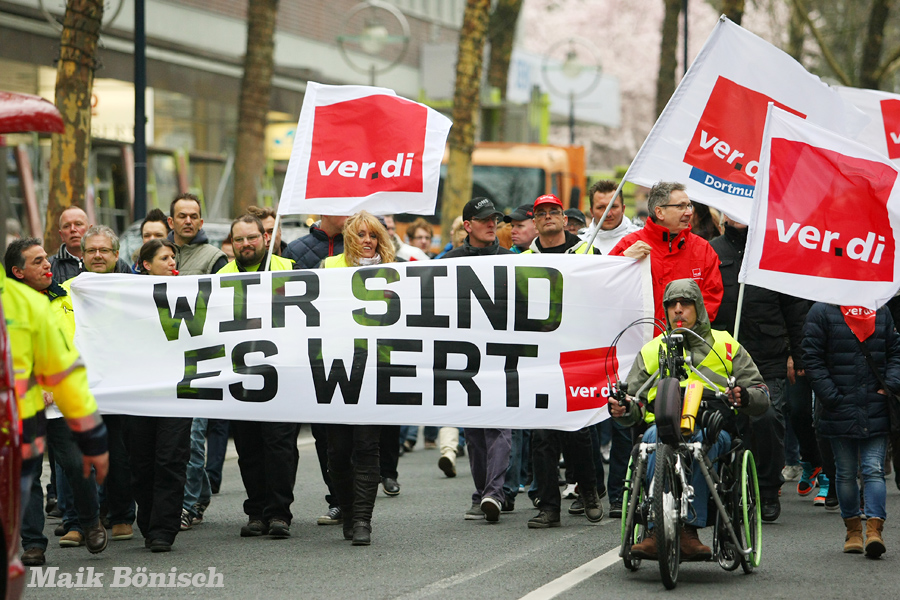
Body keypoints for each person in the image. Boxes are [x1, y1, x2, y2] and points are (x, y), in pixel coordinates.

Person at [610, 279, 769, 560]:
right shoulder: (651, 350)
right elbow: (633, 404)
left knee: (696, 444)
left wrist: (743, 396)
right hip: (660, 425)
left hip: (710, 424)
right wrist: (623, 410)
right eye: (672, 304)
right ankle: (653, 530)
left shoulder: (726, 344)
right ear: (665, 310)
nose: (678, 310)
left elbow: (760, 394)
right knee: (649, 443)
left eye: (685, 304)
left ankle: (688, 532)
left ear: (699, 308)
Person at [5, 239, 109, 565]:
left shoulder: (68, 296)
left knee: (78, 466)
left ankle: (91, 521)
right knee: (28, 475)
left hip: (64, 404)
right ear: (17, 272)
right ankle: (33, 543)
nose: (48, 265)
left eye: (46, 260)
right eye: (38, 262)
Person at [711, 215, 811, 521]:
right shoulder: (709, 251)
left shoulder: (774, 251)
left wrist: (798, 354)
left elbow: (795, 309)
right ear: (723, 214)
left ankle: (767, 489)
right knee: (723, 424)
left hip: (767, 356)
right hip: (720, 357)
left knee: (767, 420)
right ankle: (727, 487)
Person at [521, 194, 603, 528]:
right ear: (535, 221)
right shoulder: (522, 258)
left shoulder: (588, 251)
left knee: (578, 432)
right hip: (540, 356)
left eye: (554, 211)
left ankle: (589, 491)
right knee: (542, 436)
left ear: (565, 220)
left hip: (576, 354)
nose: (549, 217)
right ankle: (549, 507)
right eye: (542, 213)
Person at [217, 215, 297, 539]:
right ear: (232, 243)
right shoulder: (220, 277)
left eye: (252, 238)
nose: (246, 244)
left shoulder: (290, 269)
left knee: (279, 444)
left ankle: (279, 513)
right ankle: (256, 511)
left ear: (265, 237)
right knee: (248, 447)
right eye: (239, 240)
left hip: (283, 373)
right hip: (241, 375)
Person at [802, 303, 900, 558]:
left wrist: (889, 385)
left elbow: (895, 351)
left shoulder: (880, 308)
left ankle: (874, 531)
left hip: (874, 403)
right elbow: (812, 357)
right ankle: (853, 530)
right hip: (839, 405)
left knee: (873, 469)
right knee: (845, 473)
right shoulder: (821, 311)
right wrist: (831, 397)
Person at [322, 211, 395, 545]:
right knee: (337, 452)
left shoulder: (397, 271)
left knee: (367, 445)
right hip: (336, 368)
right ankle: (348, 512)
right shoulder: (328, 268)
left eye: (374, 235)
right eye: (362, 234)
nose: (368, 241)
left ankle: (363, 520)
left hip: (376, 368)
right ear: (350, 236)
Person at [441, 198, 514, 522]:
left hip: (503, 356)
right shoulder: (449, 261)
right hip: (465, 357)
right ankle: (482, 491)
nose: (491, 224)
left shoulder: (511, 259)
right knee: (473, 431)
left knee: (499, 425)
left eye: (494, 219)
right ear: (467, 225)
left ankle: (493, 494)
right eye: (484, 220)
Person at [65, 226, 136, 543]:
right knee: (76, 457)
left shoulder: (134, 291)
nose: (97, 255)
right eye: (91, 250)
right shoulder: (65, 291)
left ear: (116, 255)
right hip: (79, 387)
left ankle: (121, 517)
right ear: (82, 254)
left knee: (119, 454)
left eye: (103, 250)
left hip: (120, 385)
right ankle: (82, 523)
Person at [124, 239, 193, 552]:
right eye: (164, 257)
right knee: (142, 462)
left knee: (170, 458)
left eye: (172, 257)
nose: (171, 262)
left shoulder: (191, 292)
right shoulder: (126, 298)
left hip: (176, 392)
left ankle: (164, 529)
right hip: (139, 392)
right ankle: (149, 521)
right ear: (146, 264)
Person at [282, 214, 347, 526]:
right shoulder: (295, 251)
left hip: (340, 355)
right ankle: (280, 509)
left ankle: (342, 500)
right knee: (298, 436)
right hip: (302, 355)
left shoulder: (360, 244)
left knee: (335, 435)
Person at [609, 182, 723, 334]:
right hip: (639, 344)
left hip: (686, 346)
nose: (689, 212)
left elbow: (711, 298)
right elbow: (606, 287)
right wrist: (624, 260)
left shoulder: (703, 250)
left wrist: (687, 333)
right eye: (680, 206)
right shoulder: (630, 245)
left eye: (689, 206)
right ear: (659, 212)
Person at [167, 193, 228, 276]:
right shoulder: (157, 255)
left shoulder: (214, 258)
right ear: (171, 222)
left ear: (200, 223)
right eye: (182, 216)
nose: (188, 221)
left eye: (193, 217)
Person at [580, 180, 639, 254]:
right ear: (592, 211)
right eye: (601, 207)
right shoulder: (580, 242)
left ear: (623, 209)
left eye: (613, 206)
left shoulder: (640, 239)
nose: (608, 214)